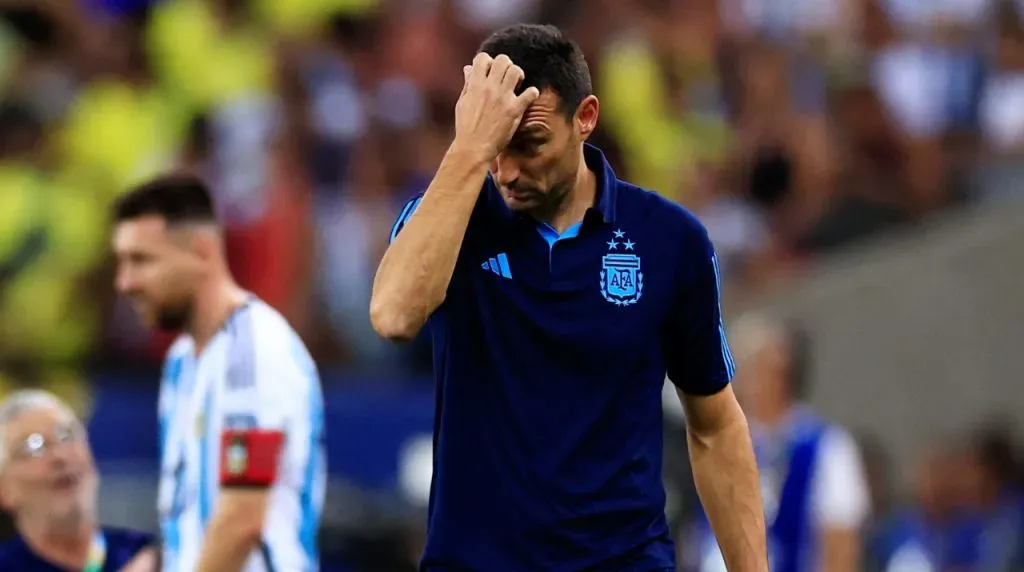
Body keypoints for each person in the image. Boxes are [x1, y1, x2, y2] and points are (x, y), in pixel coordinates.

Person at [370, 23, 768, 572]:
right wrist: (468, 150)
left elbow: (716, 425)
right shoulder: (448, 220)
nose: (507, 171)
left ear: (585, 119)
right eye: (496, 147)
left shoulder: (669, 240)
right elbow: (393, 316)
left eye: (530, 145)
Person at [111, 175, 326, 572]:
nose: (125, 283)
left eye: (141, 260)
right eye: (121, 262)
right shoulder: (181, 362)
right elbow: (194, 519)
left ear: (203, 251)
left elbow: (242, 519)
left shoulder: (255, 351)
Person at [687, 313, 870, 572]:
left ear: (779, 370)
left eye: (748, 368)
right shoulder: (718, 448)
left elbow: (840, 549)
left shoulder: (829, 449)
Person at [0, 390, 157, 571]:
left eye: (66, 436)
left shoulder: (146, 553)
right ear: (4, 490)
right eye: (33, 447)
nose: (60, 455)